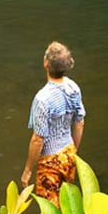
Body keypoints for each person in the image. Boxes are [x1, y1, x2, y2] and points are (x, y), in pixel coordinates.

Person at [20, 41, 85, 204]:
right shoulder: (73, 88)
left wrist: (28, 170)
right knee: (66, 205)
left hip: (50, 161)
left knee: (49, 213)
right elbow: (79, 122)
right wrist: (73, 151)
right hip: (69, 154)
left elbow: (38, 139)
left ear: (45, 63)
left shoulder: (43, 98)